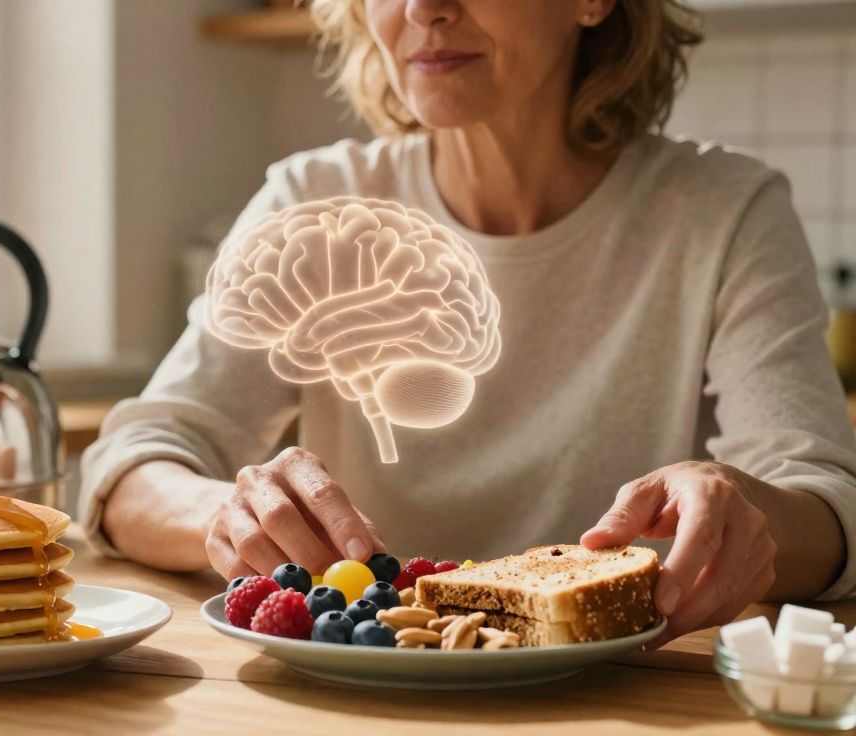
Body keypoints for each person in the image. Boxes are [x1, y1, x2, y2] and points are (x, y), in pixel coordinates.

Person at [80, 0, 856, 644]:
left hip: (619, 703)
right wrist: (225, 513)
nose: (423, 9)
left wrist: (747, 514)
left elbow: (829, 506)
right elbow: (133, 464)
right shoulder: (312, 200)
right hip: (351, 698)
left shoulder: (725, 213)